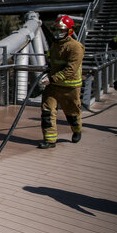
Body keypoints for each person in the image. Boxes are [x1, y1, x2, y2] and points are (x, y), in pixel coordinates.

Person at [38, 15, 85, 149]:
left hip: (70, 87)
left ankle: (76, 130)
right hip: (53, 86)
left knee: (72, 113)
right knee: (47, 112)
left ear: (69, 31)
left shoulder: (76, 47)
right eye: (56, 29)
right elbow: (53, 62)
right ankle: (50, 140)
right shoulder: (55, 45)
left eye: (61, 30)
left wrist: (52, 78)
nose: (57, 33)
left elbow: (71, 69)